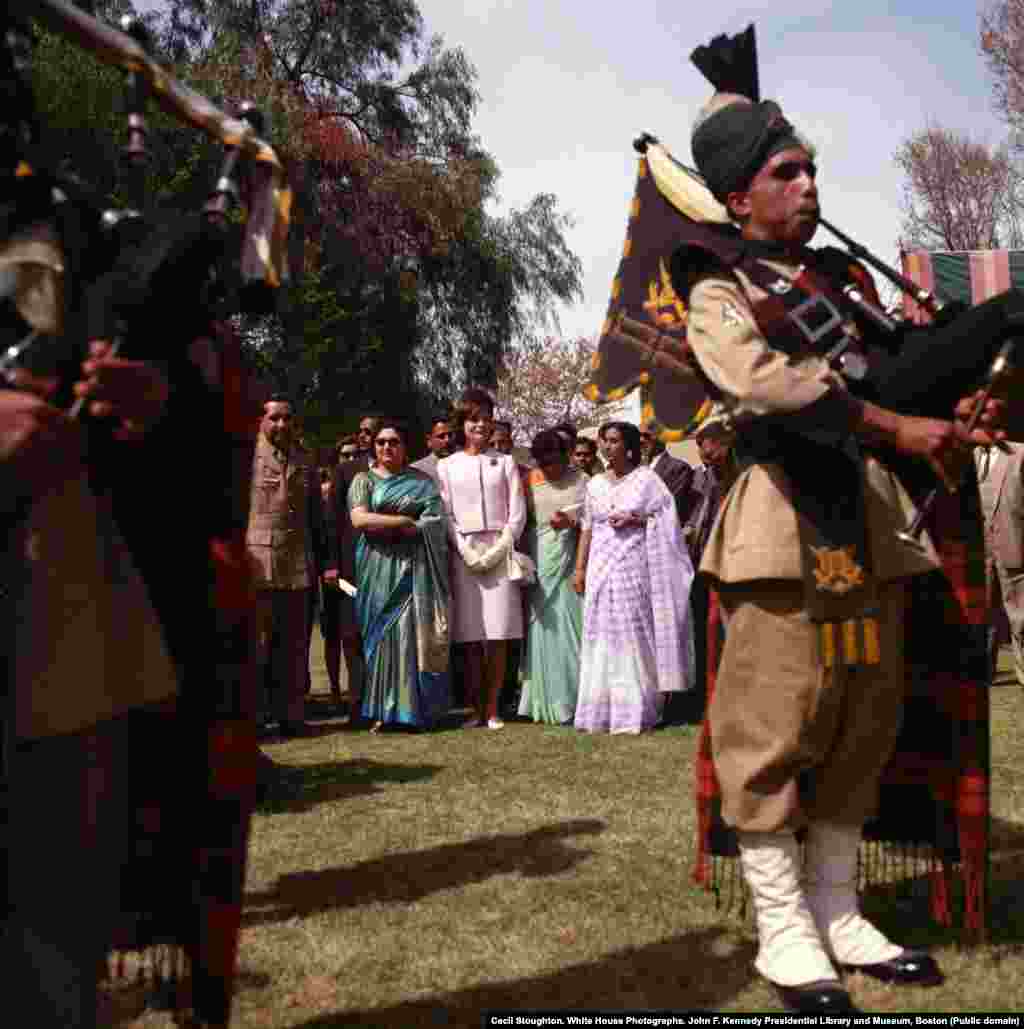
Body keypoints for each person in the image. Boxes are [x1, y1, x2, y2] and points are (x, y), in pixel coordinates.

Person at [678, 30, 1008, 1010]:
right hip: (781, 529)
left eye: (813, 168)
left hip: (871, 530)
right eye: (786, 172)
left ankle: (834, 907)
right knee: (776, 726)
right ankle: (782, 930)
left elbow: (895, 372)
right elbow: (761, 382)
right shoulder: (714, 281)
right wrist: (894, 422)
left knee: (861, 724)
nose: (808, 185)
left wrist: (953, 406)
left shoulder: (837, 285)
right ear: (740, 196)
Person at [572, 421, 694, 733]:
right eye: (604, 441)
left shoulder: (647, 480)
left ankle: (637, 708)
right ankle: (599, 709)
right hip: (600, 563)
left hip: (633, 564)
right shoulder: (595, 484)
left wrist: (636, 518)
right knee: (601, 630)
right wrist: (580, 568)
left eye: (613, 441)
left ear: (628, 447)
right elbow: (587, 527)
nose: (606, 447)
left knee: (632, 630)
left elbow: (667, 518)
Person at [348, 420, 451, 731]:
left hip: (412, 567)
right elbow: (359, 519)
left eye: (393, 442)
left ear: (405, 447)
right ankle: (380, 709)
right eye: (380, 442)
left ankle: (410, 709)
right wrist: (403, 520)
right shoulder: (362, 480)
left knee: (407, 635)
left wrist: (414, 527)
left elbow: (436, 521)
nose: (386, 447)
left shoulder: (423, 482)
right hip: (375, 566)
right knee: (379, 637)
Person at [437, 388, 527, 730]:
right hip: (465, 555)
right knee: (471, 636)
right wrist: (465, 551)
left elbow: (516, 514)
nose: (481, 425)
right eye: (474, 418)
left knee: (499, 634)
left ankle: (493, 708)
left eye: (487, 418)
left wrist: (498, 549)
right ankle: (475, 709)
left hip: (500, 552)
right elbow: (446, 515)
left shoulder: (504, 463)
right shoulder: (446, 466)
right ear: (462, 423)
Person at [247, 396, 326, 736]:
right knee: (258, 645)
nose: (281, 424)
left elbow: (315, 518)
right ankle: (257, 718)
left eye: (287, 418)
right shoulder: (245, 456)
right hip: (258, 563)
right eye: (275, 418)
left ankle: (292, 717)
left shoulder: (304, 457)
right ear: (261, 421)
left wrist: (324, 563)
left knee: (294, 646)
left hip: (298, 563)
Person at [517, 430, 587, 725]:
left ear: (566, 455)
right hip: (541, 558)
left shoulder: (583, 480)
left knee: (573, 628)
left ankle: (575, 700)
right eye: (544, 463)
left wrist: (573, 521)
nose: (550, 468)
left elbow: (594, 520)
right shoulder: (528, 481)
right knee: (543, 631)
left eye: (555, 461)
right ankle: (541, 700)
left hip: (572, 559)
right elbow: (521, 522)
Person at [322, 419, 380, 721]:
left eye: (375, 432)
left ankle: (385, 702)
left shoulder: (398, 470)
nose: (368, 437)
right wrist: (330, 563)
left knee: (382, 633)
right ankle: (358, 704)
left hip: (387, 564)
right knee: (352, 634)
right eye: (364, 432)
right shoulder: (345, 470)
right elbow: (331, 519)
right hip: (350, 566)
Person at [976, 441, 1024, 685]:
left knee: (1021, 617)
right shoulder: (970, 456)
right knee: (983, 616)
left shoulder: (1020, 453)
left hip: (1014, 545)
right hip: (981, 548)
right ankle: (984, 674)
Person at [410, 416, 453, 483]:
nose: (447, 440)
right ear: (429, 440)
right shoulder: (417, 470)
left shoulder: (465, 462)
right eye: (441, 436)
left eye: (450, 435)